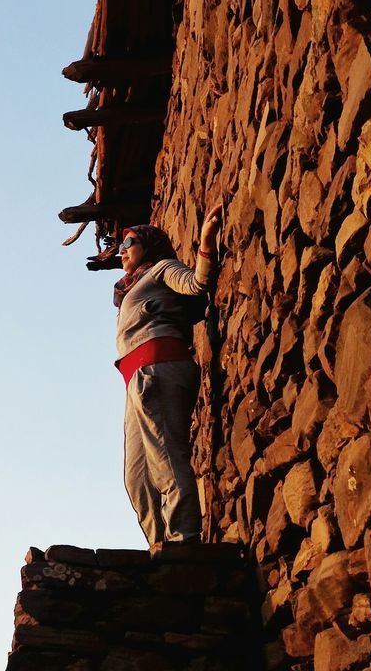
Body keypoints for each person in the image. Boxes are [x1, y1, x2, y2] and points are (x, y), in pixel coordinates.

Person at [113, 207, 222, 546]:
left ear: (148, 244)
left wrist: (205, 242)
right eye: (120, 245)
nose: (121, 250)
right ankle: (160, 546)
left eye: (128, 241)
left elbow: (196, 282)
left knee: (165, 458)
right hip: (136, 377)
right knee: (138, 478)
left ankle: (183, 539)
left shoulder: (160, 269)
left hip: (158, 367)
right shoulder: (133, 285)